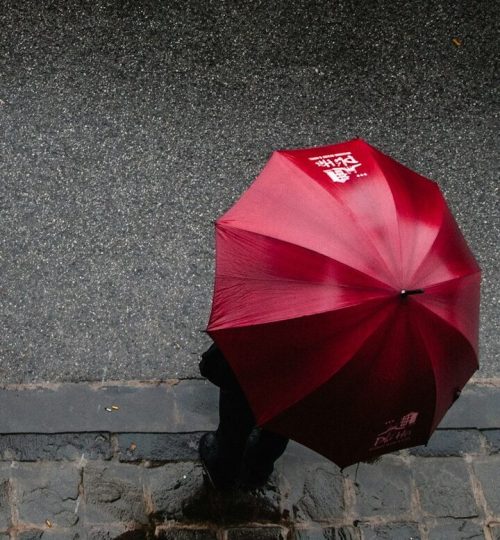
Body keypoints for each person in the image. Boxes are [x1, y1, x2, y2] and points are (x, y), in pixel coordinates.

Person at [198, 343, 289, 490]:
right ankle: (258, 471)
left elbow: (210, 366)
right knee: (283, 415)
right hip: (295, 374)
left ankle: (223, 470)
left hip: (249, 368)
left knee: (235, 422)